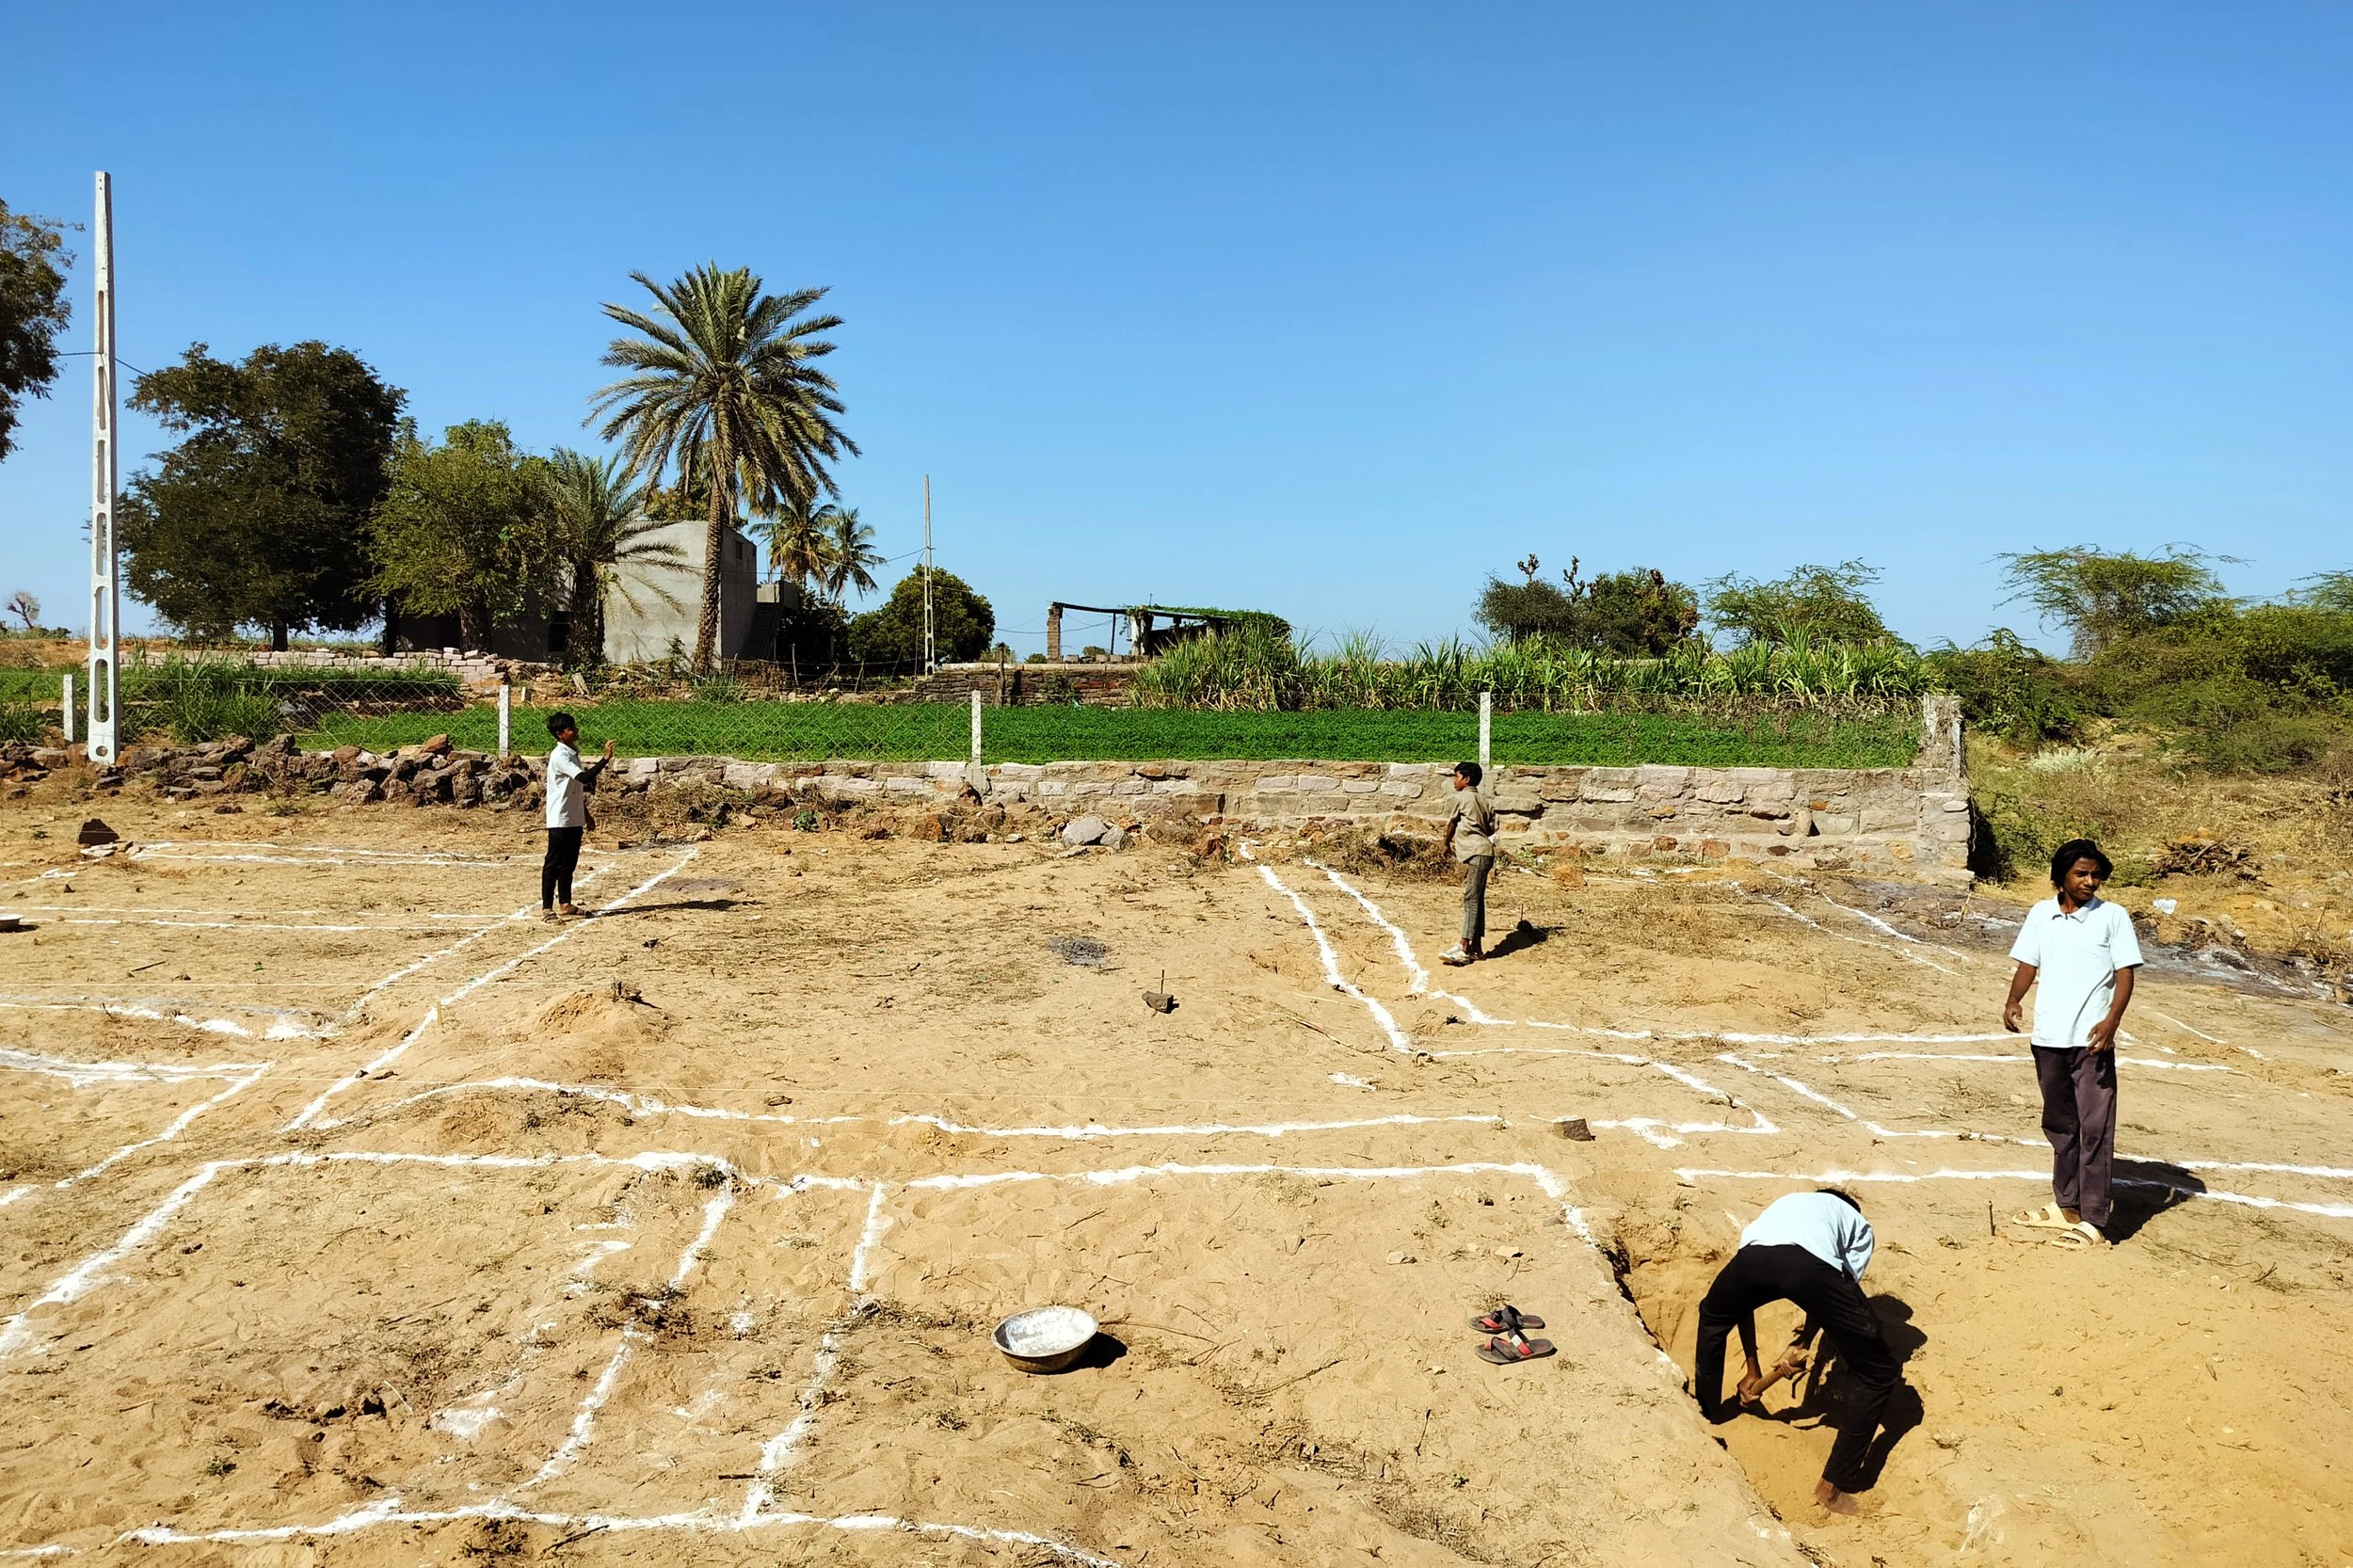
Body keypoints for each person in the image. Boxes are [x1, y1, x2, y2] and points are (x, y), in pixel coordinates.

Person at [1692, 1188, 1901, 1513]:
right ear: (1849, 1209)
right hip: (1808, 1269)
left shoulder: (1786, 1204)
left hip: (1753, 1258)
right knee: (1879, 1372)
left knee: (1713, 1316)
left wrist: (1754, 1368)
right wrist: (1806, 1339)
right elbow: (1833, 1286)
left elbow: (1741, 1308)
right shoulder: (1856, 1222)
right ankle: (1833, 1487)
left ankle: (1706, 1414)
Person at [2003, 837, 2143, 1246]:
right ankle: (2067, 1205)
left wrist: (2111, 1022)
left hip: (2091, 1041)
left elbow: (2125, 973)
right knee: (2061, 1125)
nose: (2091, 881)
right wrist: (2014, 999)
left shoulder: (2112, 917)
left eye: (2096, 874)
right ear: (2061, 876)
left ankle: (2095, 1221)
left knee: (2095, 1127)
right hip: (2048, 1037)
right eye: (2082, 873)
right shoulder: (2040, 914)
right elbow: (2029, 962)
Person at [542, 711, 612, 920]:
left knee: (569, 863)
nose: (575, 731)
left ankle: (565, 903)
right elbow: (583, 778)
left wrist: (585, 814)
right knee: (553, 862)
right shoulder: (560, 756)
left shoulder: (572, 753)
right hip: (560, 818)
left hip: (573, 817)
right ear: (560, 733)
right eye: (570, 728)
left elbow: (573, 789)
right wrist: (605, 759)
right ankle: (547, 907)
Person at [1437, 760, 1497, 966]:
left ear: (1466, 779)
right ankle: (1477, 948)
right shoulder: (1485, 801)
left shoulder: (1461, 798)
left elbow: (1452, 823)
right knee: (1477, 899)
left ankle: (1463, 946)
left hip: (1475, 853)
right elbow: (1491, 829)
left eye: (1457, 776)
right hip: (1486, 852)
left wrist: (1446, 844)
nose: (1455, 780)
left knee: (1470, 898)